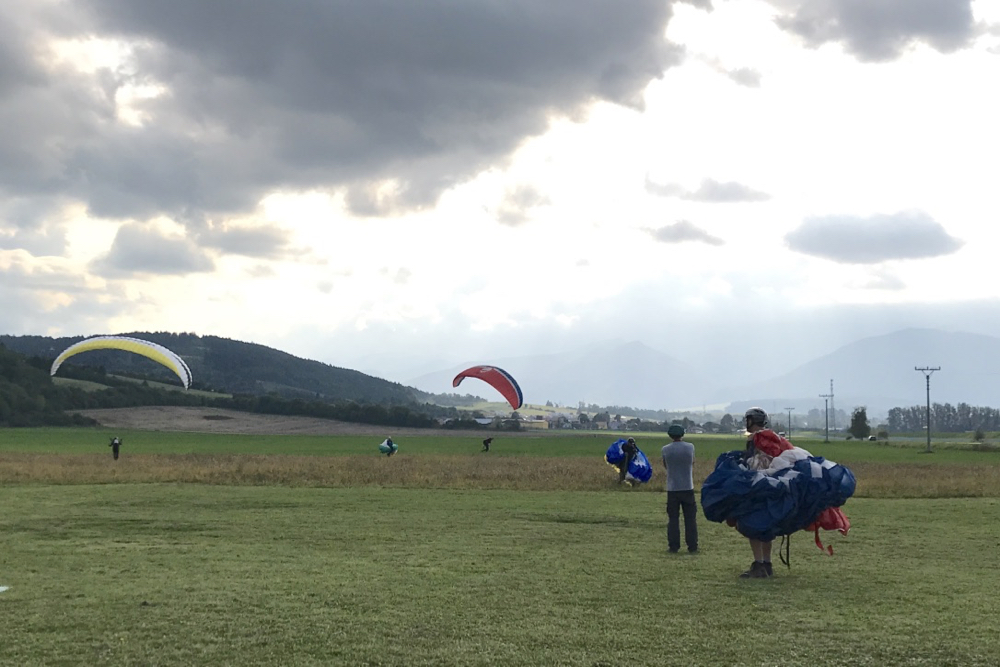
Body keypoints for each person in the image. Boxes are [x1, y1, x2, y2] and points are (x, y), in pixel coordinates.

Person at [739, 407, 775, 578]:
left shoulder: (755, 439)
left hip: (757, 484)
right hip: (773, 485)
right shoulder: (773, 437)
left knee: (752, 524)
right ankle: (767, 563)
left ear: (752, 421)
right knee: (767, 526)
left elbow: (754, 463)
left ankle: (758, 564)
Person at [661, 424, 697, 553]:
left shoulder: (665, 449)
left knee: (673, 518)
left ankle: (673, 546)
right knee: (690, 518)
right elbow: (692, 462)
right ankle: (692, 546)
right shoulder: (690, 447)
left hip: (672, 488)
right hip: (688, 487)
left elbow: (665, 465)